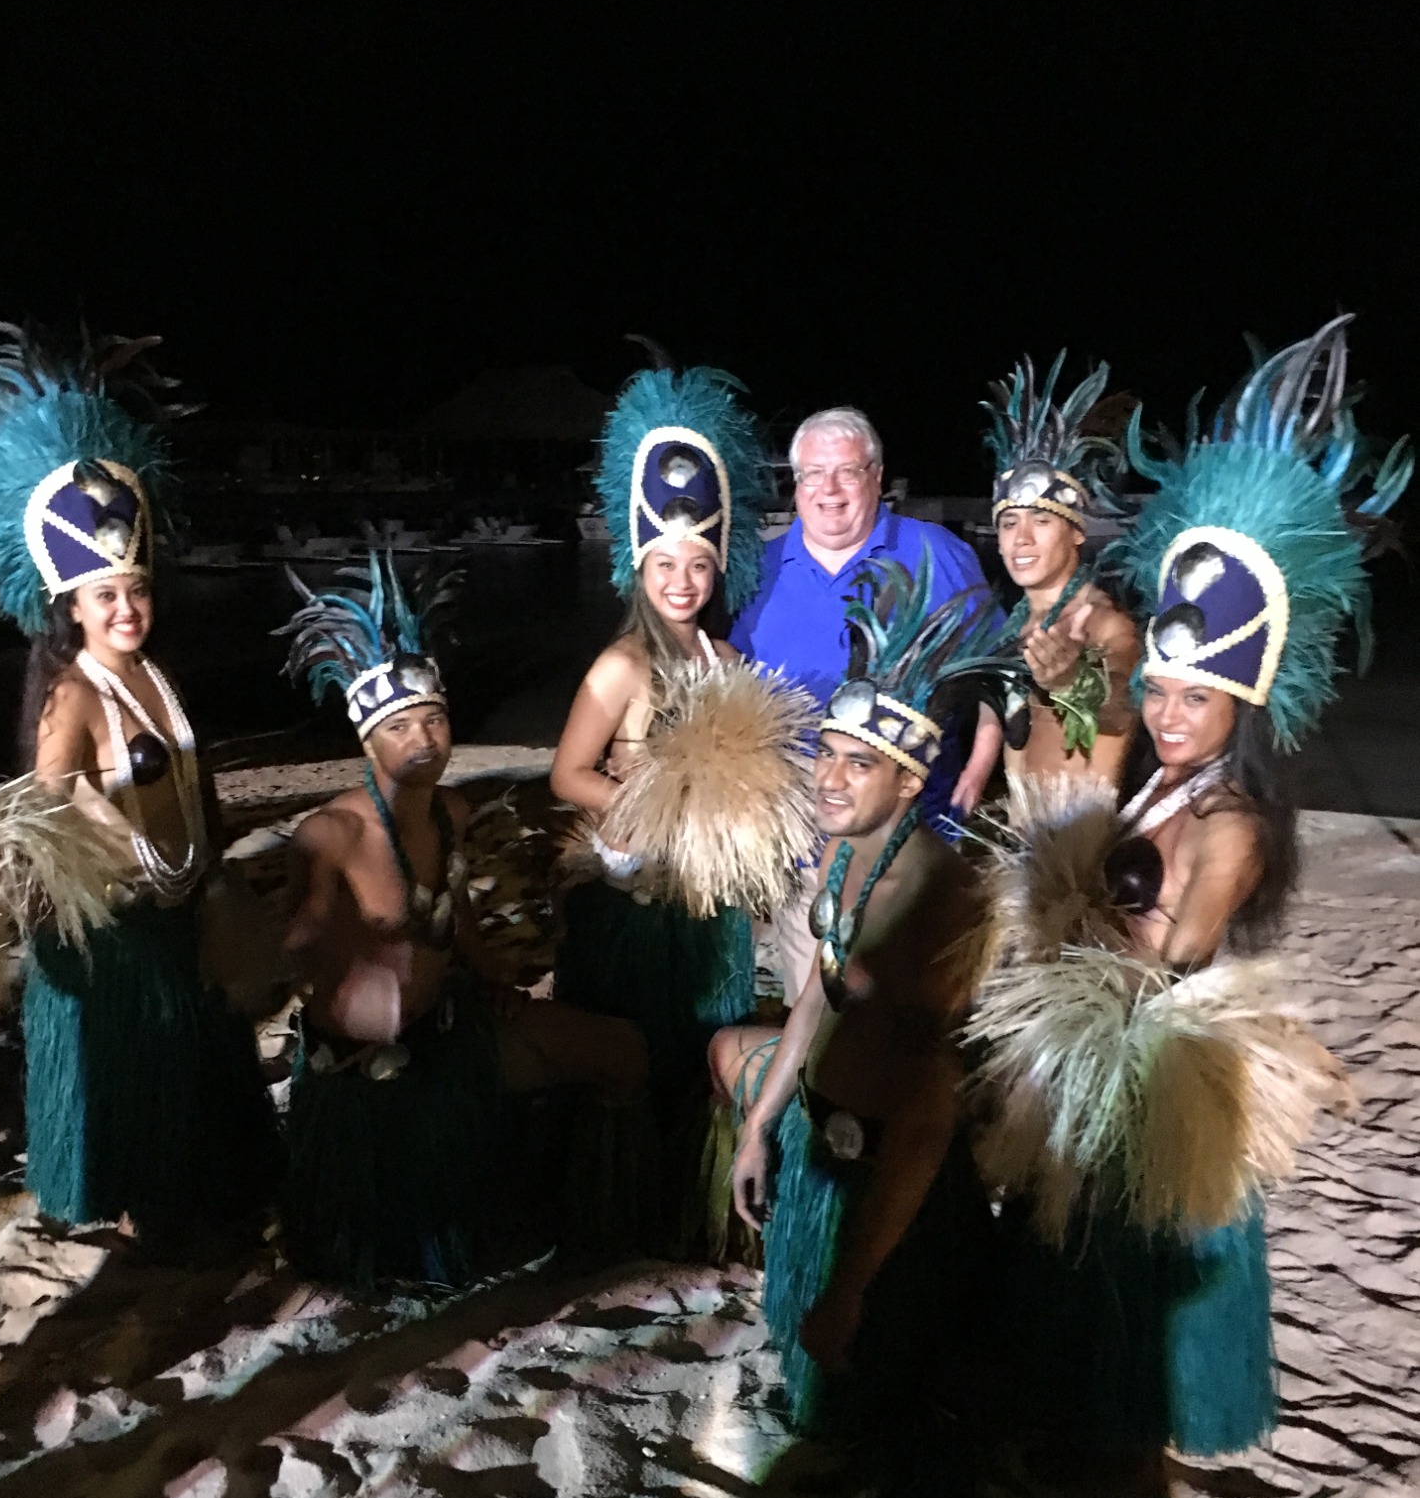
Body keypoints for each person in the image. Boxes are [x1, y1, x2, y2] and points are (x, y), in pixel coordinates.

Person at [972, 318, 1409, 1460]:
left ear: (1242, 704)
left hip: (1142, 1060)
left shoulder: (1233, 823)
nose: (1167, 714)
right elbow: (1094, 728)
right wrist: (1064, 694)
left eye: (1194, 699)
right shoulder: (1165, 779)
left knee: (1118, 1275)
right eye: (1163, 693)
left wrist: (1065, 973)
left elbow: (1170, 962)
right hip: (1092, 1025)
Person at [0, 325, 279, 1241]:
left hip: (181, 912)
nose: (126, 608)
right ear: (71, 606)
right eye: (105, 596)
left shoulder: (158, 677)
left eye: (137, 590)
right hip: (121, 937)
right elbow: (44, 815)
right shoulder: (72, 698)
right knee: (151, 1126)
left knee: (208, 1111)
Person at [710, 557, 1019, 1498]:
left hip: (898, 1195)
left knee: (894, 1426)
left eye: (859, 763)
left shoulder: (942, 894)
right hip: (829, 1150)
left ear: (912, 778)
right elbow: (817, 995)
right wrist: (761, 1124)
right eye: (827, 754)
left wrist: (852, 1286)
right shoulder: (844, 856)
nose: (830, 779)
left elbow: (929, 1112)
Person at [278, 554, 648, 1290]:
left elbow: (459, 919)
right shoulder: (330, 836)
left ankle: (609, 1222)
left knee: (621, 1052)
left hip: (454, 1034)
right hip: (369, 1075)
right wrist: (348, 982)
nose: (425, 738)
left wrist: (494, 980)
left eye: (435, 718)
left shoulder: (451, 810)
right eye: (401, 725)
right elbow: (295, 954)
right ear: (367, 741)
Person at [550, 364, 775, 1249]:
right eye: (665, 564)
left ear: (718, 569)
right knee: (634, 1062)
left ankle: (691, 1212)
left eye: (699, 565)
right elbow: (567, 774)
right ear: (637, 565)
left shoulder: (728, 662)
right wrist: (647, 806)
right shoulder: (620, 666)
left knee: (696, 1062)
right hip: (636, 905)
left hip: (708, 911)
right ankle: (618, 1217)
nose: (682, 581)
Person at [729, 407, 1000, 1002]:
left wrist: (981, 765)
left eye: (847, 472)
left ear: (877, 477)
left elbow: (997, 670)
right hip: (802, 844)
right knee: (814, 1007)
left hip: (919, 835)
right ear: (795, 484)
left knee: (914, 1006)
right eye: (813, 474)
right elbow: (730, 686)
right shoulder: (759, 570)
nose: (829, 490)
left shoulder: (936, 553)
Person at [983, 355, 1141, 785]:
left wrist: (1074, 681)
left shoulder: (1103, 622)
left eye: (1041, 521)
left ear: (1076, 532)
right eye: (1009, 523)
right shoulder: (1012, 624)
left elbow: (1122, 711)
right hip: (1020, 820)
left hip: (1082, 823)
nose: (1022, 538)